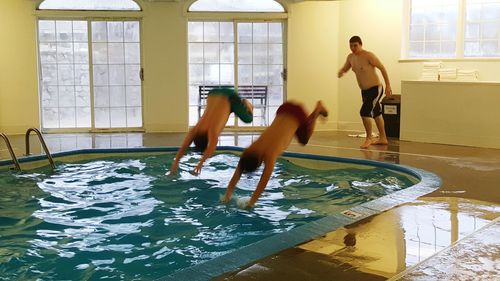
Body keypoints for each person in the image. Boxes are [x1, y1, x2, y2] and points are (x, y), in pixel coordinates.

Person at [221, 100, 328, 208]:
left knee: (304, 140)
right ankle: (304, 121)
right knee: (297, 130)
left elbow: (263, 181)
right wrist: (227, 195)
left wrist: (251, 202)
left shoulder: (270, 154)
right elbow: (239, 170)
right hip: (283, 109)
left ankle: (317, 110)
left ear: (259, 162)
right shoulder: (251, 149)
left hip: (297, 115)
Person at [170, 86, 253, 175]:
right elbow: (184, 145)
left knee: (248, 119)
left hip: (229, 96)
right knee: (227, 109)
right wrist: (176, 162)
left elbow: (211, 148)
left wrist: (200, 164)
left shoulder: (212, 130)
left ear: (207, 140)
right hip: (213, 93)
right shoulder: (196, 128)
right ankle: (234, 107)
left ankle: (248, 105)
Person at [338, 35, 392, 149]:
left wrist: (388, 86)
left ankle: (369, 138)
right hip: (364, 91)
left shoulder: (368, 55)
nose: (353, 48)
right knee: (376, 112)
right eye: (351, 46)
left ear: (360, 44)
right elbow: (346, 68)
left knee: (364, 112)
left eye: (355, 45)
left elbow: (382, 68)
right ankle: (383, 138)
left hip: (376, 88)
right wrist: (341, 72)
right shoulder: (350, 57)